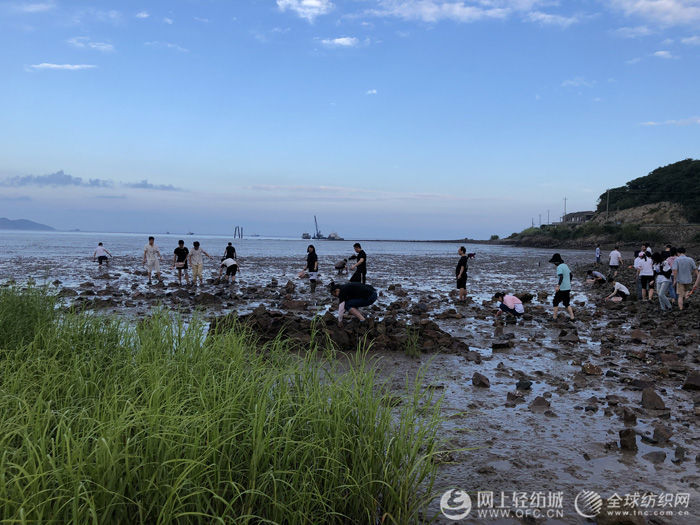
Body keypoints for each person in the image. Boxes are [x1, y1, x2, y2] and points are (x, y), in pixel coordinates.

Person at [549, 253, 574, 321]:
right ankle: (572, 317)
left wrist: (558, 286)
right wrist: (568, 282)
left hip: (562, 288)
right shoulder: (565, 265)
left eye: (554, 262)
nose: (554, 264)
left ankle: (554, 317)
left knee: (555, 301)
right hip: (568, 287)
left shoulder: (559, 267)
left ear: (556, 262)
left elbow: (561, 276)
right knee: (566, 303)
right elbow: (571, 275)